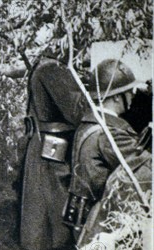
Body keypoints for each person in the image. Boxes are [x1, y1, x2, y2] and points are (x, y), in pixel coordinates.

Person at [19, 24, 86, 250]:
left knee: (49, 214)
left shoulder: (45, 66)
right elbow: (78, 111)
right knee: (55, 216)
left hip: (47, 146)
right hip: (53, 151)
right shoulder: (52, 69)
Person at [64, 58, 151, 240]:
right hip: (99, 225)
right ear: (117, 96)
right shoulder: (109, 134)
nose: (134, 96)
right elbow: (144, 167)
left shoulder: (88, 125)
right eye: (130, 91)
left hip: (80, 219)